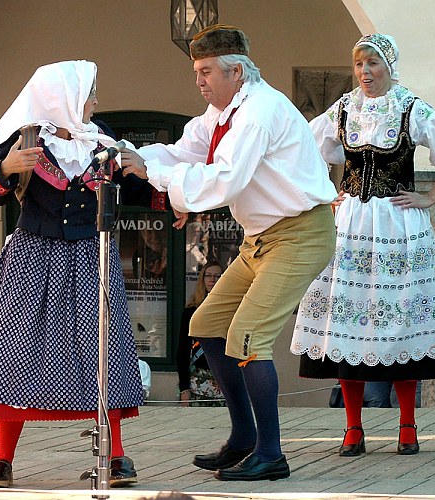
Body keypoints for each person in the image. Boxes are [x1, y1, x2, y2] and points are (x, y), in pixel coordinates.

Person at [120, 25, 338, 481]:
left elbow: (225, 179)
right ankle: (244, 438)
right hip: (261, 238)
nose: (199, 81)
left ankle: (272, 453)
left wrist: (157, 178)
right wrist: (131, 154)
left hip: (299, 235)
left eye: (206, 72)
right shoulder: (222, 112)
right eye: (196, 72)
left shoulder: (259, 112)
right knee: (207, 323)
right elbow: (183, 153)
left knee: (248, 338)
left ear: (236, 71)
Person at [0, 60, 151, 488]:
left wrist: (154, 183)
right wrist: (6, 169)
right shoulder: (24, 139)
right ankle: (2, 459)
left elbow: (139, 190)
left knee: (106, 350)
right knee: (16, 354)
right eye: (90, 93)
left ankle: (115, 454)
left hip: (92, 255)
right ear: (62, 97)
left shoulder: (102, 141)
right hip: (31, 257)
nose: (96, 101)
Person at [291, 34, 435, 457]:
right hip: (352, 222)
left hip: (398, 223)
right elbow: (305, 150)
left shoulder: (411, 107)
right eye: (359, 64)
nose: (365, 72)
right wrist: (325, 195)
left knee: (401, 322)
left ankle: (407, 423)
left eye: (373, 63)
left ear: (389, 65)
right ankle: (353, 426)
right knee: (348, 320)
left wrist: (429, 197)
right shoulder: (343, 109)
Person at [177, 260, 225, 407]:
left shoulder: (231, 309)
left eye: (217, 276)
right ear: (202, 279)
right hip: (197, 378)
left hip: (224, 377)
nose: (212, 279)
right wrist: (184, 388)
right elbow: (183, 350)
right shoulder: (191, 311)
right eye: (208, 275)